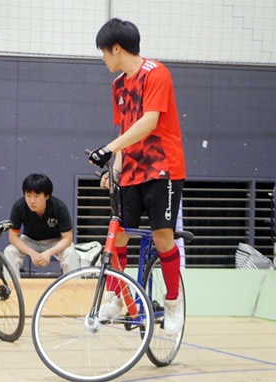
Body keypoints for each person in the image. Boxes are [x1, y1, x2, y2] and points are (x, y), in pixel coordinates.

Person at [89, 18, 186, 336]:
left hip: (163, 169)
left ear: (116, 48)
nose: (103, 59)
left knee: (162, 237)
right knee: (117, 235)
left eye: (103, 52)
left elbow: (149, 121)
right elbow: (125, 132)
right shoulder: (117, 86)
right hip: (130, 172)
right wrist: (114, 170)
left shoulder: (155, 73)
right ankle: (119, 294)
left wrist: (107, 148)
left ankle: (173, 301)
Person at [3, 173, 81, 278]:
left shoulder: (59, 207)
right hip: (29, 240)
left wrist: (49, 253)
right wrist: (32, 253)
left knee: (70, 253)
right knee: (10, 251)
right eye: (28, 195)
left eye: (36, 196)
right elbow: (13, 238)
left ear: (47, 196)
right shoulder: (19, 206)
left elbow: (67, 238)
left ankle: (74, 290)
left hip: (55, 241)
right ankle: (12, 290)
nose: (31, 201)